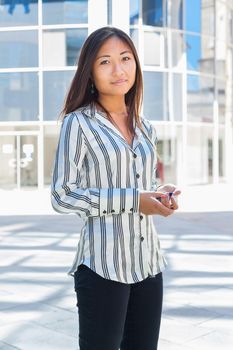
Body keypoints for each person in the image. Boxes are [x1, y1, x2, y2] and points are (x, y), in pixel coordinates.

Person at [51, 26, 181, 350]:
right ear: (90, 74)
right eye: (105, 62)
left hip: (148, 264)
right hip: (103, 266)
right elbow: (62, 194)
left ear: (135, 64)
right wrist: (135, 201)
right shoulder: (77, 123)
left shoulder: (144, 124)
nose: (118, 69)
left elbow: (142, 183)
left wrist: (159, 194)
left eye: (125, 58)